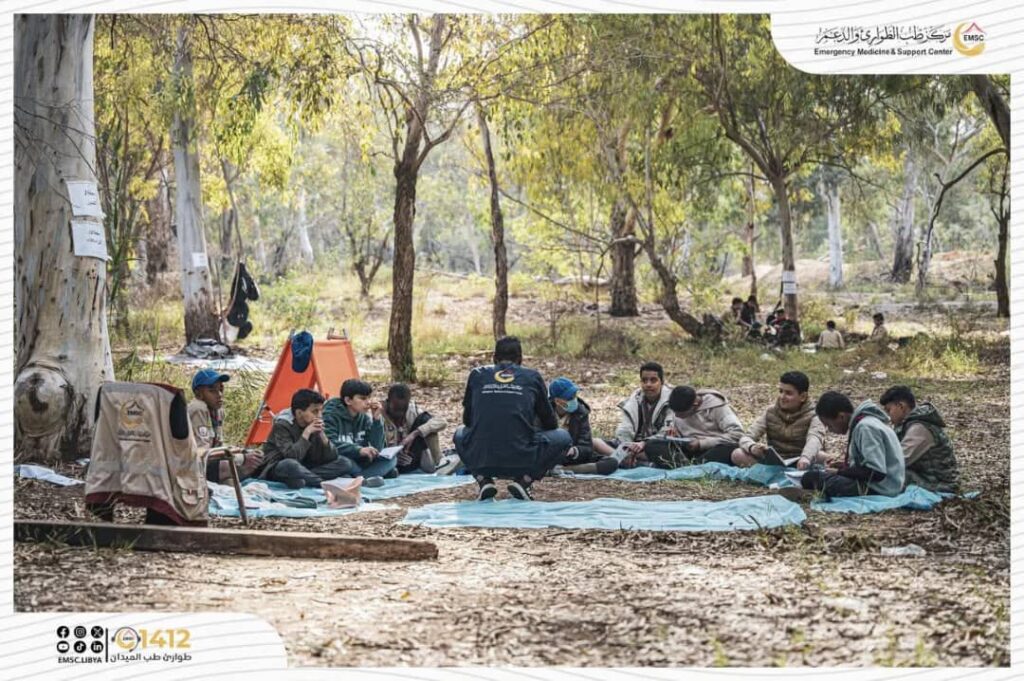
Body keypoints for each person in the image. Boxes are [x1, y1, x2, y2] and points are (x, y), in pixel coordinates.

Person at [454, 336, 571, 500]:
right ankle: (524, 481)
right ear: (520, 359)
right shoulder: (532, 377)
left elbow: (467, 421)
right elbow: (551, 423)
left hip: (483, 459)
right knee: (564, 437)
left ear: (494, 358)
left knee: (459, 434)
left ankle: (483, 480)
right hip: (522, 458)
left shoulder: (477, 375)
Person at [801, 391, 905, 498]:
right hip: (887, 484)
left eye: (829, 425)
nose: (829, 430)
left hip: (880, 488)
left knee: (810, 478)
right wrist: (845, 467)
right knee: (817, 472)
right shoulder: (866, 423)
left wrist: (840, 472)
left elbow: (877, 473)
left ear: (841, 417)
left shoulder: (865, 428)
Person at [257, 389, 355, 488]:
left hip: (306, 466)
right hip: (279, 466)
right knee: (290, 465)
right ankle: (323, 484)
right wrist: (306, 433)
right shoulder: (282, 425)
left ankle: (305, 479)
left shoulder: (314, 423)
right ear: (299, 413)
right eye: (315, 411)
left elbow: (332, 457)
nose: (320, 416)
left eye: (321, 411)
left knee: (345, 462)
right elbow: (291, 456)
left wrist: (323, 436)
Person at [732, 371, 827, 469]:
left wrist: (805, 457)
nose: (782, 397)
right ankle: (780, 472)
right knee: (738, 454)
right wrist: (752, 447)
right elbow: (746, 437)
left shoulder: (814, 415)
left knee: (823, 457)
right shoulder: (770, 412)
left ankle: (781, 473)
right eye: (781, 391)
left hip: (802, 460)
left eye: (788, 393)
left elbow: (815, 439)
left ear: (803, 397)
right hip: (774, 461)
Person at [879, 386, 959, 493]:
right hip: (926, 476)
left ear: (901, 406)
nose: (887, 416)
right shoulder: (908, 424)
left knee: (885, 477)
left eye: (889, 410)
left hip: (941, 484)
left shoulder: (920, 428)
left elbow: (898, 460)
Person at [188, 369, 263, 483]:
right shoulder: (198, 408)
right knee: (233, 466)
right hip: (191, 465)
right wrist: (241, 458)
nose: (219, 395)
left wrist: (242, 452)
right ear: (199, 394)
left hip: (207, 462)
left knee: (233, 478)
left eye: (221, 389)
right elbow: (202, 454)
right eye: (212, 391)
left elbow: (218, 445)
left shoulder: (217, 411)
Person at [322, 378, 397, 480]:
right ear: (348, 400)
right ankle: (367, 476)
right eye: (363, 398)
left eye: (369, 398)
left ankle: (357, 478)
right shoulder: (330, 416)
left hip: (360, 462)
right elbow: (328, 445)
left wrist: (377, 420)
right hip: (341, 460)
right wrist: (358, 450)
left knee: (391, 459)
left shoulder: (364, 418)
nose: (368, 402)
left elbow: (377, 448)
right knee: (346, 463)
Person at [548, 377, 618, 475]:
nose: (574, 400)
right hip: (549, 456)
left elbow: (586, 446)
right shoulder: (543, 413)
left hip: (573, 458)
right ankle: (554, 469)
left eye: (575, 395)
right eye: (570, 397)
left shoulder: (580, 413)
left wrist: (575, 451)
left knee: (611, 463)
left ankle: (564, 469)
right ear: (557, 401)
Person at [662, 386, 745, 465]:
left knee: (723, 450)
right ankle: (684, 466)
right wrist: (673, 434)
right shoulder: (678, 407)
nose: (676, 416)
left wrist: (702, 443)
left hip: (713, 448)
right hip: (688, 449)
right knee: (657, 446)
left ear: (694, 405)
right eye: (675, 412)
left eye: (681, 414)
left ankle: (694, 467)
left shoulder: (716, 407)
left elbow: (737, 434)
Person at [613, 362, 674, 465]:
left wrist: (644, 443)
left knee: (663, 449)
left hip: (654, 445)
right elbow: (625, 428)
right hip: (634, 446)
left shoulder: (671, 401)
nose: (648, 384)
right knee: (596, 443)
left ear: (662, 382)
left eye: (653, 380)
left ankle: (624, 459)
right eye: (644, 380)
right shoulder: (635, 399)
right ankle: (629, 458)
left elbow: (667, 431)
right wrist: (627, 445)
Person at [381, 383, 448, 474]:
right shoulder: (377, 414)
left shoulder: (413, 410)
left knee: (426, 423)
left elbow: (442, 422)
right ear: (388, 402)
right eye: (395, 410)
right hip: (388, 461)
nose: (399, 414)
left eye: (402, 410)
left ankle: (439, 463)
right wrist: (393, 458)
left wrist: (415, 433)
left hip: (410, 457)